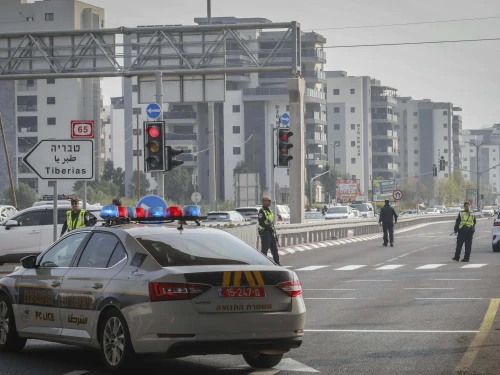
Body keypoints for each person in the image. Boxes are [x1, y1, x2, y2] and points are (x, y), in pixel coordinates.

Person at [258, 196, 280, 265]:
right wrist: (268, 227)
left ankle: (277, 263)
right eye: (268, 201)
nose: (270, 202)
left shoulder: (269, 210)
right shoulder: (261, 211)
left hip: (270, 232)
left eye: (269, 201)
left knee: (274, 249)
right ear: (264, 202)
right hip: (265, 232)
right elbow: (261, 223)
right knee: (265, 249)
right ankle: (262, 263)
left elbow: (270, 221)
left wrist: (272, 228)